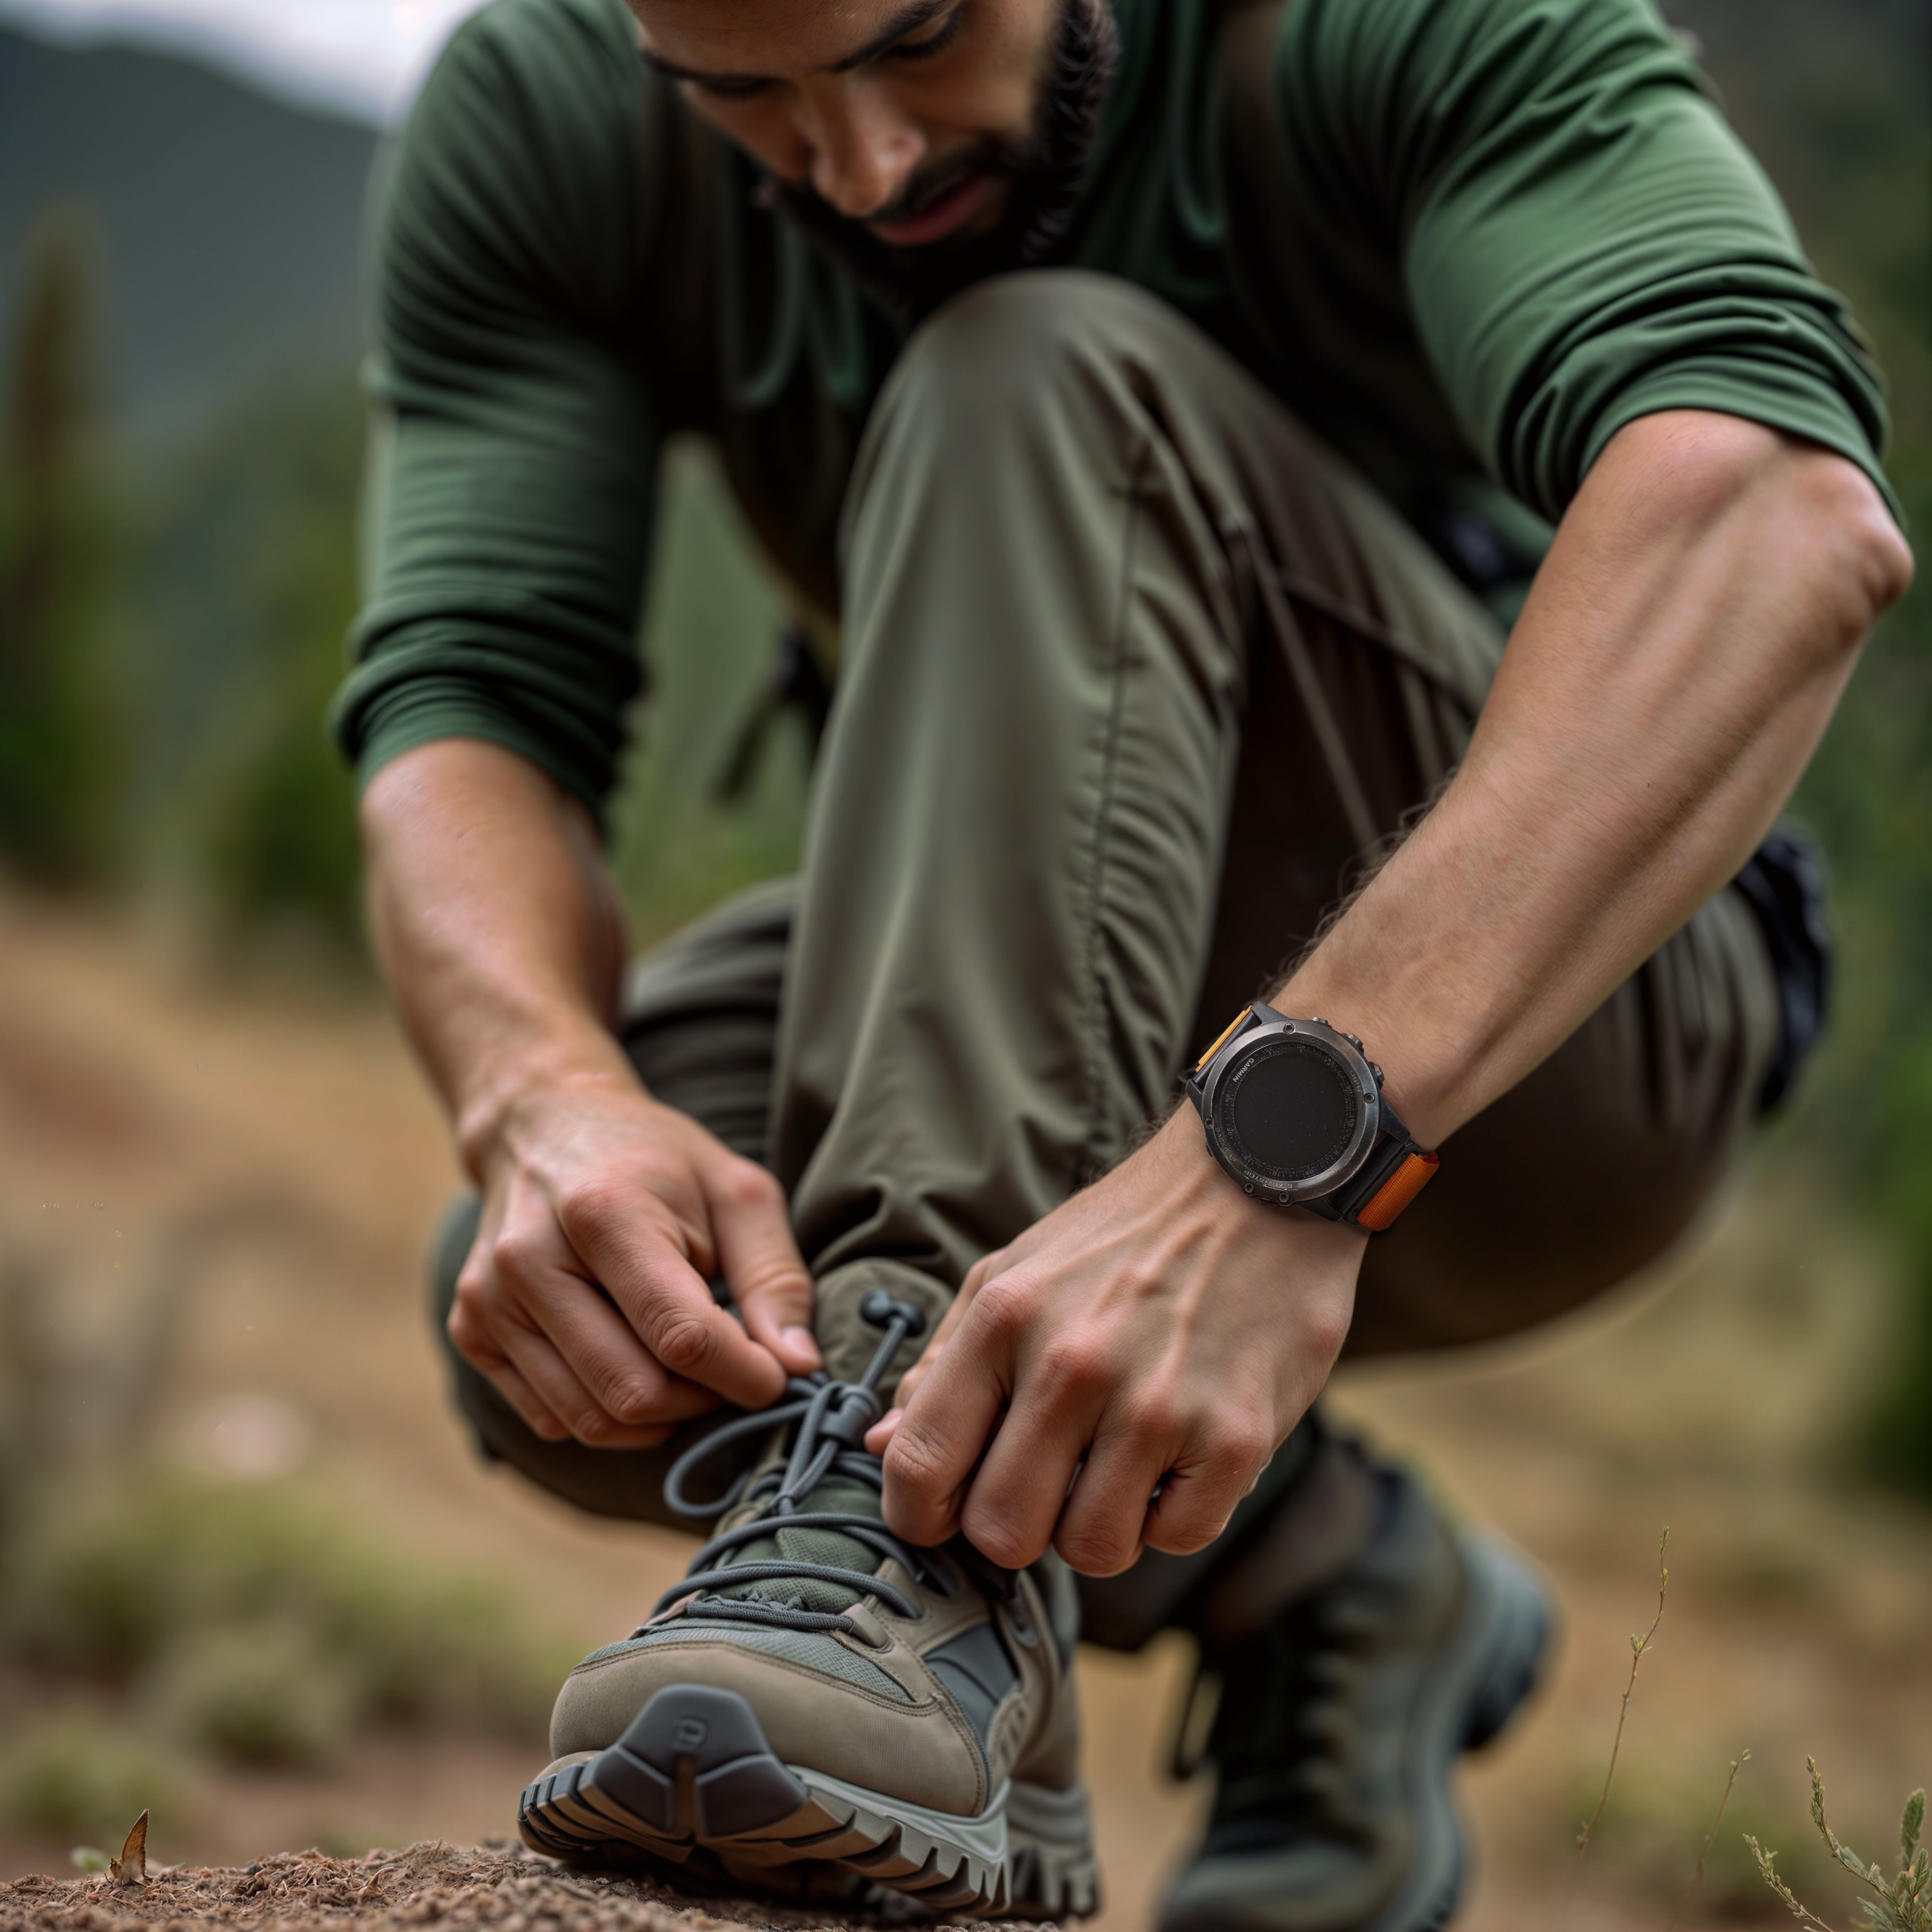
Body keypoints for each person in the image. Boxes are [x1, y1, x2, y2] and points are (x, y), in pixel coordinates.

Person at [333, 0, 1911, 1922]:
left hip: (1556, 1033)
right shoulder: (546, 108)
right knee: (581, 1309)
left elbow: (1770, 507)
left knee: (1032, 368)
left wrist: (1286, 1152)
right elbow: (469, 702)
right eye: (740, 97)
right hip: (1034, 959)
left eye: (921, 41)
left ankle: (923, 1586)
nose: (865, 164)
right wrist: (544, 1104)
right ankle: (1324, 1570)